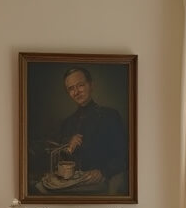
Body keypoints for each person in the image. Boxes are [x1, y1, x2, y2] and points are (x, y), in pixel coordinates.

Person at [35, 65, 129, 195]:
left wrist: (103, 171)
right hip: (72, 181)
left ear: (91, 85)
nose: (76, 92)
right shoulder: (67, 123)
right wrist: (68, 146)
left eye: (80, 85)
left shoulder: (110, 115)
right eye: (71, 88)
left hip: (100, 180)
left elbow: (122, 156)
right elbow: (61, 161)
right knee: (40, 187)